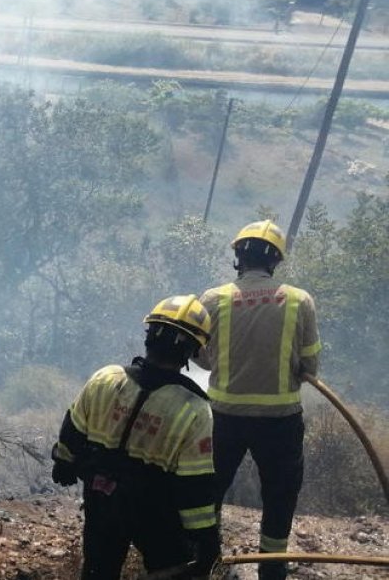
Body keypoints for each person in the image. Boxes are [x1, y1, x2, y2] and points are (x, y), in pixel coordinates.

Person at [52, 295, 220, 579]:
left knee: (98, 571)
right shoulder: (194, 409)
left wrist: (64, 462)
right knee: (172, 568)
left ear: (148, 336)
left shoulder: (106, 378)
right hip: (154, 509)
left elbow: (73, 429)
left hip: (100, 496)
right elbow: (194, 485)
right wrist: (205, 538)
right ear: (191, 351)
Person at [193, 220, 321, 580]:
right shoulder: (299, 300)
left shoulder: (212, 299)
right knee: (279, 497)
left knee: (208, 491)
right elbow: (309, 366)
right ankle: (272, 567)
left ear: (239, 256)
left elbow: (200, 357)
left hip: (223, 417)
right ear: (275, 261)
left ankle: (206, 561)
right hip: (280, 421)